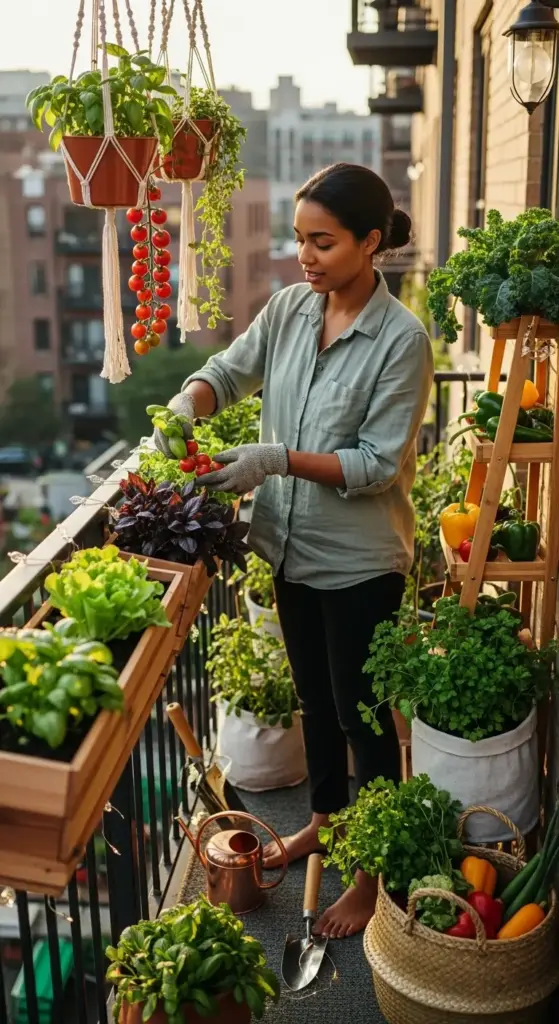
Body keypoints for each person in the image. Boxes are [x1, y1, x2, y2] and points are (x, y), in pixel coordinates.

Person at [154, 162, 434, 939]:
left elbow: (377, 463)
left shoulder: (400, 341)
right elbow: (227, 371)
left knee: (364, 716)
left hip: (360, 562)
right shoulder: (286, 308)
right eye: (298, 239)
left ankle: (372, 880)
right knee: (315, 699)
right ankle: (327, 821)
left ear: (370, 242)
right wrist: (185, 404)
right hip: (288, 547)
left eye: (323, 242)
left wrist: (271, 460)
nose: (304, 256)